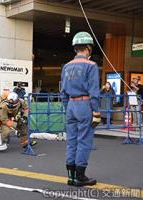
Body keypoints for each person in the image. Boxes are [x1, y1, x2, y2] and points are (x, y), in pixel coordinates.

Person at [61, 32, 100, 187]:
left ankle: (71, 177)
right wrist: (96, 112)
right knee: (84, 141)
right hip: (84, 105)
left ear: (75, 48)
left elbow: (62, 92)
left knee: (71, 141)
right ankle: (80, 177)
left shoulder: (67, 66)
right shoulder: (91, 66)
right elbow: (94, 91)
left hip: (70, 104)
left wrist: (68, 107)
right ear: (88, 48)